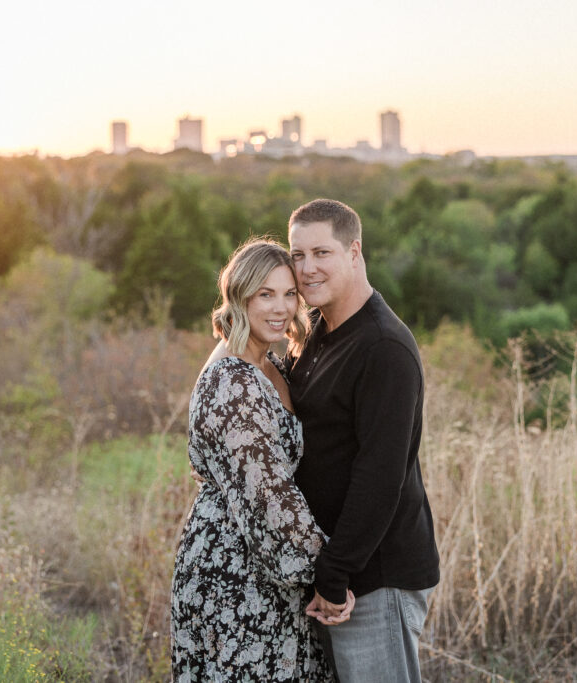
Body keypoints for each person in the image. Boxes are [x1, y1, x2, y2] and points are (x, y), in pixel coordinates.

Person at [171, 238, 352, 682]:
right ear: (239, 299)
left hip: (270, 572)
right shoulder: (233, 380)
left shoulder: (269, 364)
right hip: (233, 573)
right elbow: (270, 496)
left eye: (289, 294)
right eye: (264, 295)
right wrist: (330, 572)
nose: (281, 308)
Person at [286, 199, 440, 683]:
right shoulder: (319, 330)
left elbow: (380, 477)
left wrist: (334, 575)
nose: (307, 269)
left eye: (321, 253)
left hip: (375, 581)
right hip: (341, 575)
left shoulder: (383, 348)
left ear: (354, 252)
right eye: (297, 255)